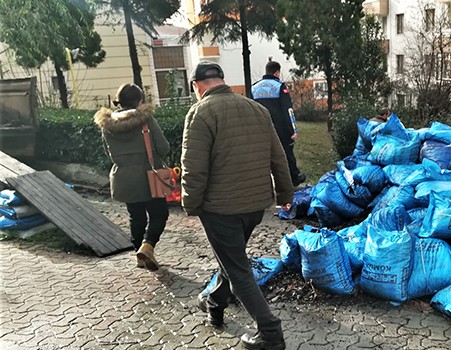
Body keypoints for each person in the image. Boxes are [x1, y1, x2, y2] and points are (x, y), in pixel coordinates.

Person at [180, 61, 293, 350]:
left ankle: (269, 332)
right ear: (221, 79)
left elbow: (194, 168)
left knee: (237, 267)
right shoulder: (257, 109)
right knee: (230, 257)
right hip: (255, 206)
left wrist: (190, 204)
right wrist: (284, 194)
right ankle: (215, 302)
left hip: (221, 208)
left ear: (197, 86)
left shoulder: (200, 113)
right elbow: (278, 156)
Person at [94, 83, 170, 271]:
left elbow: (108, 153)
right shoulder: (145, 120)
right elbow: (164, 147)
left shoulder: (107, 125)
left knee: (135, 217)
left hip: (123, 177)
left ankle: (140, 256)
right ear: (139, 100)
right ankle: (147, 245)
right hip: (149, 176)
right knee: (160, 214)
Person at [251, 61, 306, 187]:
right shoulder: (280, 86)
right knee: (286, 153)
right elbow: (288, 110)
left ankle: (264, 182)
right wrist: (293, 131)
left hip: (261, 128)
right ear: (277, 72)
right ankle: (294, 178)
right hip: (279, 129)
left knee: (264, 155)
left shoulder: (254, 87)